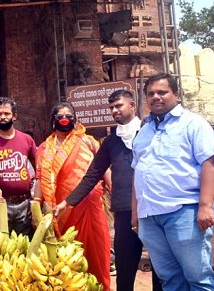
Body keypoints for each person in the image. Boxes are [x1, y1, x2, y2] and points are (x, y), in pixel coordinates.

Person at [53, 90, 161, 291]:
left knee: (160, 269)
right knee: (125, 269)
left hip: (153, 209)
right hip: (124, 212)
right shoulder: (111, 142)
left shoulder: (150, 133)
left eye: (118, 105)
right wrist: (67, 202)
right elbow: (92, 175)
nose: (114, 110)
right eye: (111, 107)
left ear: (132, 105)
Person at [131, 73, 214, 291]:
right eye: (151, 93)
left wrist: (205, 205)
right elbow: (138, 173)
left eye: (162, 92)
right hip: (150, 217)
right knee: (170, 280)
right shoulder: (143, 133)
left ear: (176, 95)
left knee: (199, 278)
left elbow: (211, 163)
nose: (156, 97)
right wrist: (136, 214)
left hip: (185, 212)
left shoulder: (192, 124)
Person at [36, 101, 111, 291]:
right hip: (62, 210)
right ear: (53, 120)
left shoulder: (88, 141)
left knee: (97, 251)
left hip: (91, 206)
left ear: (75, 119)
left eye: (68, 116)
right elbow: (40, 177)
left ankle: (101, 286)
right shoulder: (45, 148)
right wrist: (36, 203)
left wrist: (115, 191)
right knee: (68, 255)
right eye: (60, 116)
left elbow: (104, 170)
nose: (64, 119)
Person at [0, 97, 37, 237]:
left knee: (24, 247)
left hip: (25, 203)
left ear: (14, 116)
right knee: (2, 247)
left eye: (7, 113)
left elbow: (39, 167)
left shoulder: (27, 139)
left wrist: (39, 194)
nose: (3, 117)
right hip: (0, 203)